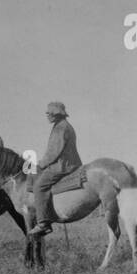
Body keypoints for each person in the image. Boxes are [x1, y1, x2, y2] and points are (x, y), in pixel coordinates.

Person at [28, 101, 82, 238]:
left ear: (56, 114)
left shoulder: (60, 128)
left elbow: (53, 152)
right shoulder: (63, 125)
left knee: (39, 186)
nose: (47, 115)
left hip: (63, 165)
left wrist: (40, 164)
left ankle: (43, 223)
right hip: (67, 163)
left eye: (49, 113)